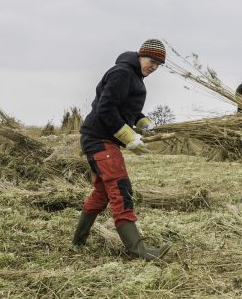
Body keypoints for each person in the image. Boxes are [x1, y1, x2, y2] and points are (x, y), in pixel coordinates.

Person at [72, 39, 171, 260]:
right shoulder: (123, 73)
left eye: (158, 64)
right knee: (120, 188)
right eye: (151, 60)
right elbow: (105, 108)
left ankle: (78, 241)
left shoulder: (134, 77)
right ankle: (139, 250)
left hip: (99, 138)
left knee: (101, 192)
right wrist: (128, 136)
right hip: (100, 139)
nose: (153, 67)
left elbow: (125, 108)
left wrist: (142, 121)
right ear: (140, 55)